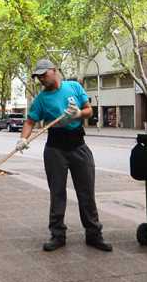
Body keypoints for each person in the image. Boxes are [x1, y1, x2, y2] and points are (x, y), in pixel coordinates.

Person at [16, 59, 112, 252]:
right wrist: (23, 139)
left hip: (78, 145)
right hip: (55, 149)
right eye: (38, 76)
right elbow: (29, 121)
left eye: (44, 74)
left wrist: (77, 114)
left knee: (86, 193)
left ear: (54, 70)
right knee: (57, 193)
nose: (41, 79)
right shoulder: (41, 100)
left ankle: (94, 234)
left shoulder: (74, 87)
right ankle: (57, 235)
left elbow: (89, 110)